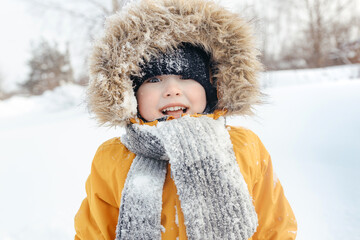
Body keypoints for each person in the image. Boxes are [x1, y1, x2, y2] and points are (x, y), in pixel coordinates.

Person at [74, 0, 297, 239]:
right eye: (154, 80)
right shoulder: (112, 158)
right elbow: (95, 232)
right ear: (130, 93)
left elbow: (274, 228)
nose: (172, 90)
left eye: (185, 77)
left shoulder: (244, 147)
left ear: (211, 88)